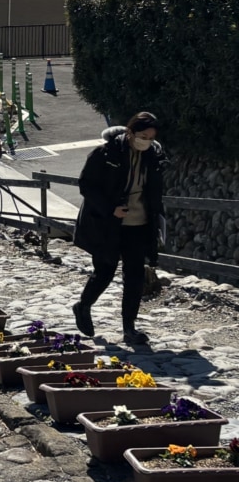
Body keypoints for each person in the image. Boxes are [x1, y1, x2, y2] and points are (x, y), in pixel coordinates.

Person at [73, 112, 166, 345]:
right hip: (109, 223)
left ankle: (129, 328)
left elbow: (154, 190)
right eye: (143, 136)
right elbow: (86, 185)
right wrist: (110, 208)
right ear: (131, 132)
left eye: (151, 137)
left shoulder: (154, 156)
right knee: (104, 271)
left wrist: (158, 218)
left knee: (134, 277)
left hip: (139, 224)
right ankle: (83, 306)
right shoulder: (106, 153)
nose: (147, 141)